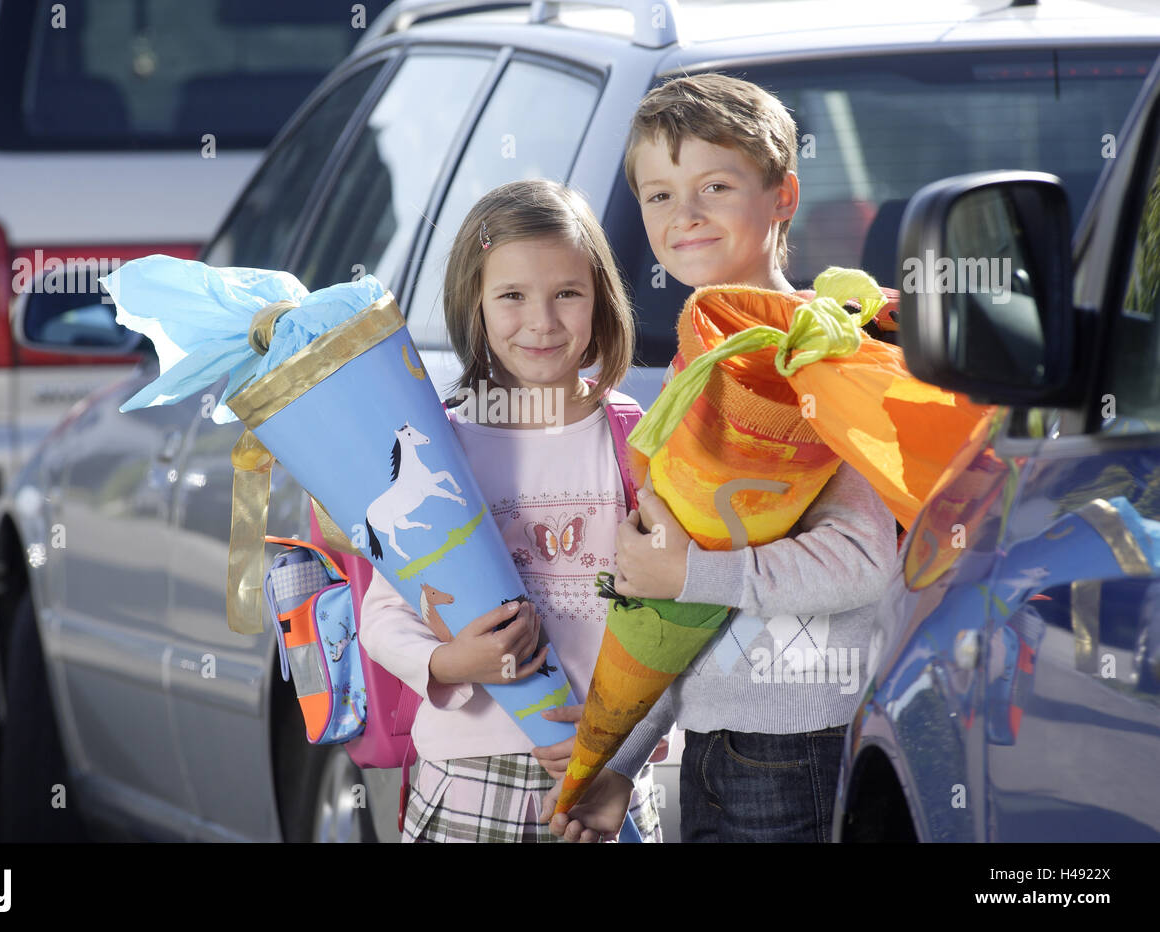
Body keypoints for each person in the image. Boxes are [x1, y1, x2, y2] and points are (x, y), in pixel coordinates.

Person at [549, 74, 897, 843]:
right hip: (711, 751)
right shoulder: (697, 372)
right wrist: (623, 764)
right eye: (660, 195)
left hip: (801, 744)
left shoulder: (819, 359)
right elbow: (678, 613)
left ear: (783, 196)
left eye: (715, 185)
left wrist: (689, 575)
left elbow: (863, 562)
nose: (686, 216)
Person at [357, 179, 663, 842]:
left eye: (568, 295)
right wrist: (453, 662)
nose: (542, 322)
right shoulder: (446, 448)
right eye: (513, 297)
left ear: (600, 300)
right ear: (476, 303)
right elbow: (382, 618)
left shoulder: (636, 441)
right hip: (469, 778)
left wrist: (625, 745)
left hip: (602, 783)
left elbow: (675, 618)